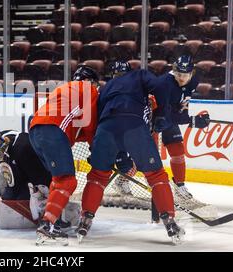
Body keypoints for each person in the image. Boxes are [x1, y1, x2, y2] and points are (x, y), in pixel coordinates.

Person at [78, 60, 185, 245]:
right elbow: (160, 86)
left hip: (106, 129)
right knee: (156, 175)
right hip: (134, 125)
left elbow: (99, 121)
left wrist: (118, 154)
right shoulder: (139, 75)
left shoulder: (105, 88)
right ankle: (169, 221)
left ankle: (85, 220)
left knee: (98, 175)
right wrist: (161, 113)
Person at [29, 65, 100, 245]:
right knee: (68, 180)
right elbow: (89, 125)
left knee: (58, 179)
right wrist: (96, 150)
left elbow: (75, 124)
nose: (95, 88)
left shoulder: (63, 88)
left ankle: (53, 219)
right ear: (88, 81)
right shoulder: (88, 89)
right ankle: (47, 225)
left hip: (35, 130)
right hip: (53, 131)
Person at [155, 55, 210, 198]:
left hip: (167, 116)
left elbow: (180, 109)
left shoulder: (193, 82)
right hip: (152, 116)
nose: (182, 78)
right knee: (148, 154)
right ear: (174, 71)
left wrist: (192, 119)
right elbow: (166, 113)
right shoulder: (165, 83)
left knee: (178, 149)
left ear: (192, 73)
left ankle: (180, 186)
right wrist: (192, 121)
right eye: (179, 74)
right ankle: (123, 180)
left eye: (185, 75)